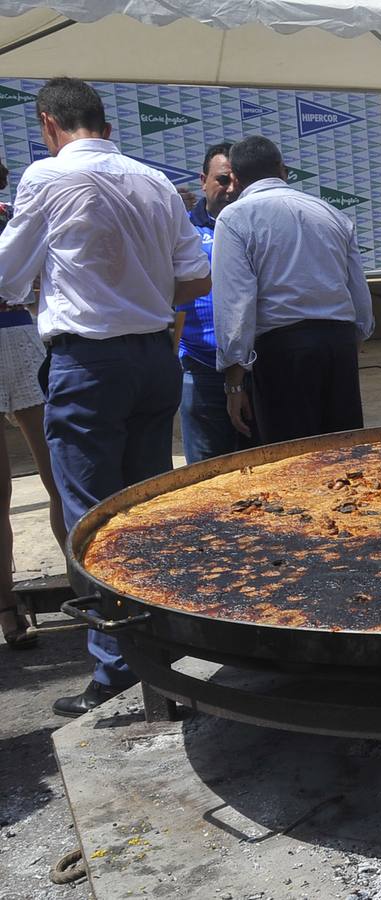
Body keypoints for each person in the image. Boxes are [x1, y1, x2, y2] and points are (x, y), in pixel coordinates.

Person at [0, 77, 211, 712]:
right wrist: (138, 302)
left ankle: (118, 666)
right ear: (106, 124)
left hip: (91, 362)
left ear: (47, 125)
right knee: (143, 508)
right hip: (153, 356)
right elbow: (194, 278)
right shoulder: (154, 181)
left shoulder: (46, 179)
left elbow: (8, 278)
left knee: (93, 514)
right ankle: (160, 655)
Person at [212, 136, 375, 444]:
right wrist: (350, 343)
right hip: (337, 345)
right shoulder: (330, 213)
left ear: (234, 177)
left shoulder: (235, 218)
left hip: (283, 353)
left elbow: (235, 305)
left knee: (289, 460)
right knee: (342, 454)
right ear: (282, 169)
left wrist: (234, 384)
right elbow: (359, 294)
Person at [0, 162, 66, 649]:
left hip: (20, 337)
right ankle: (7, 610)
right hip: (20, 336)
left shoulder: (14, 212)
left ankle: (86, 591)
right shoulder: (14, 212)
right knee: (52, 479)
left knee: (60, 477)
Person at [177, 141, 256, 463]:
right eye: (223, 179)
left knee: (264, 467)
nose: (230, 188)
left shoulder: (256, 224)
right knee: (207, 472)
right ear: (203, 180)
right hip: (200, 367)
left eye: (237, 181)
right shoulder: (182, 229)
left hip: (255, 366)